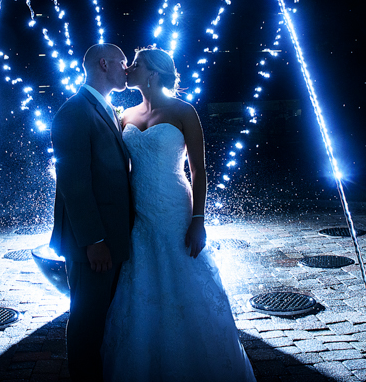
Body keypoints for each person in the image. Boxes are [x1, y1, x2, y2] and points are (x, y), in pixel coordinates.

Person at [101, 47, 256, 382]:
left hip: (175, 209)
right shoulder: (125, 115)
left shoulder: (184, 111)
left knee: (183, 278)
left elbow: (198, 169)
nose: (128, 67)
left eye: (136, 64)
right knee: (144, 282)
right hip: (140, 215)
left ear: (154, 73)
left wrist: (198, 220)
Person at [49, 43, 134, 382]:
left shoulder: (107, 109)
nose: (126, 69)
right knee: (87, 319)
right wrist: (95, 239)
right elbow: (74, 183)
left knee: (102, 316)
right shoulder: (74, 111)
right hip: (92, 244)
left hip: (112, 237)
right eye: (123, 61)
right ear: (104, 63)